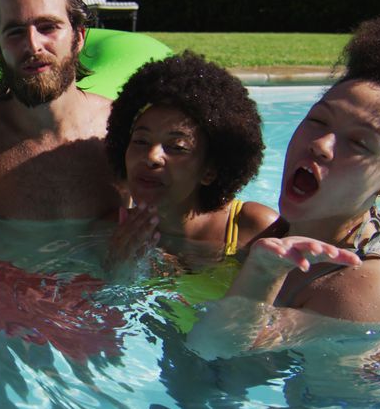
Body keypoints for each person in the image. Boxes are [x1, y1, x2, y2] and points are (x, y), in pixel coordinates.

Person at [188, 15, 380, 358]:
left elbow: (215, 351)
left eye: (359, 143)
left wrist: (262, 275)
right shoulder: (289, 234)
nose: (321, 144)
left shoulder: (367, 288)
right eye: (318, 120)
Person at [0, 0, 122, 221]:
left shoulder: (121, 131)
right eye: (15, 32)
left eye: (48, 27)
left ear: (79, 36)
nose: (33, 45)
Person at [103, 51, 278, 282]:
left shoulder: (254, 228)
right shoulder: (114, 230)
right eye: (140, 141)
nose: (151, 156)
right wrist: (118, 268)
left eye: (177, 147)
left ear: (210, 171)